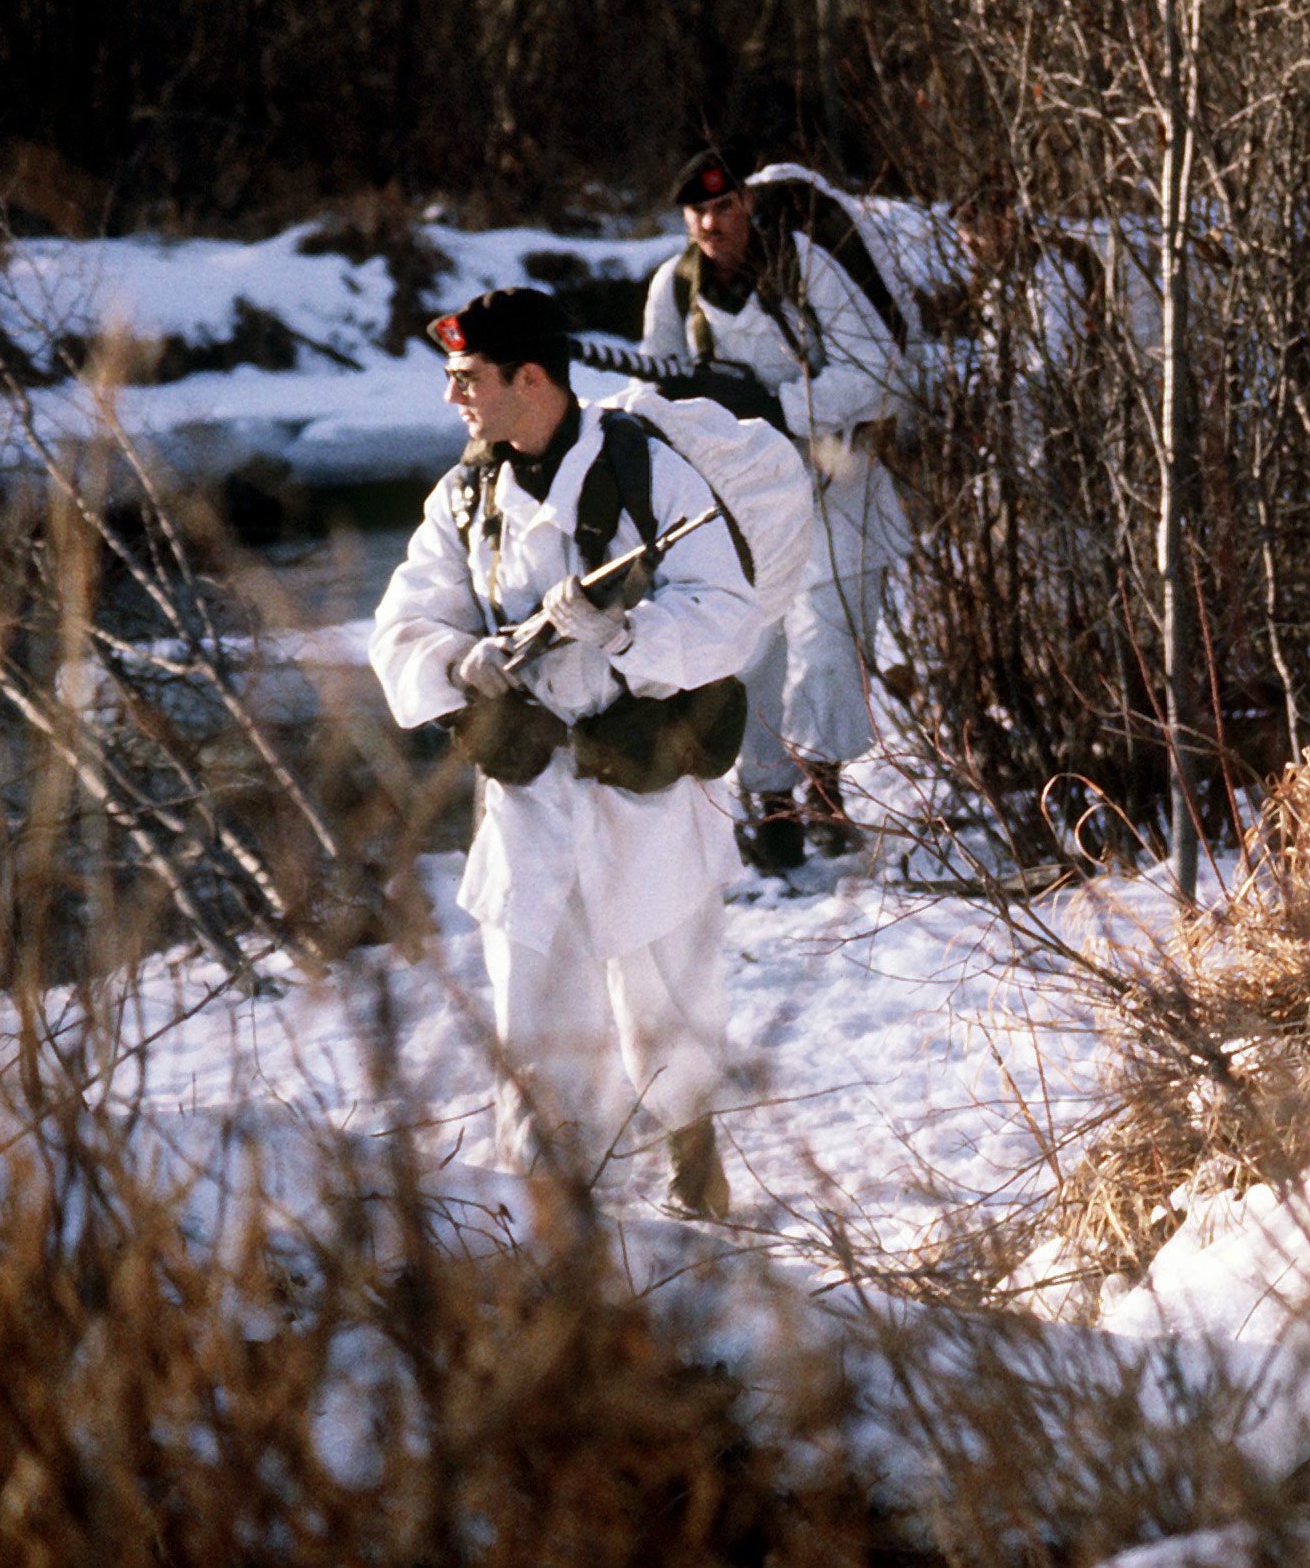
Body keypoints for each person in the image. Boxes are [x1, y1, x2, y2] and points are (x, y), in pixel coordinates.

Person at [370, 286, 762, 1218]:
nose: (452, 398)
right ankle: (547, 1230)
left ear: (530, 377)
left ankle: (696, 1201)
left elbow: (730, 621)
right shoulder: (465, 496)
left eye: (467, 378)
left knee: (674, 1015)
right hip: (531, 795)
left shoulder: (648, 472)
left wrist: (625, 635)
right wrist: (463, 660)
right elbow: (397, 630)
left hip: (650, 786)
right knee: (536, 1030)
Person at [643, 148, 914, 872]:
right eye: (696, 211)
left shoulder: (804, 268)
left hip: (834, 475)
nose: (710, 222)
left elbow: (880, 370)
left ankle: (825, 790)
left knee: (830, 644)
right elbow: (657, 394)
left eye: (723, 205)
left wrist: (778, 406)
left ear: (747, 205)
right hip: (743, 499)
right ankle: (774, 806)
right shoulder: (674, 289)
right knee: (755, 650)